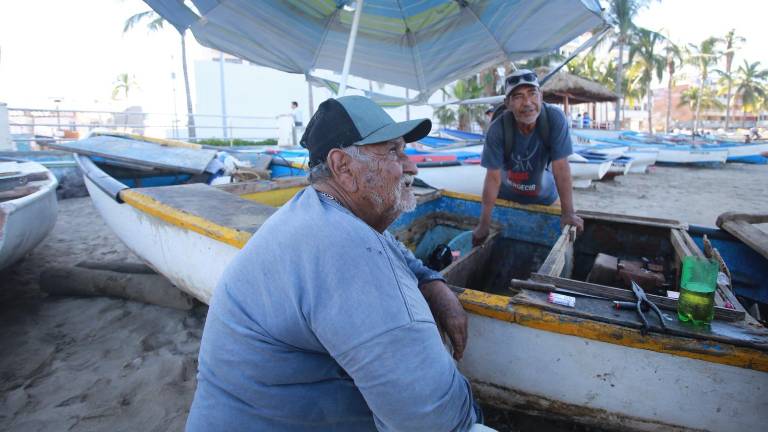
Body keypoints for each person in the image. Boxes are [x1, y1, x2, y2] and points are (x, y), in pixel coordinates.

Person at [186, 95, 482, 431]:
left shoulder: (319, 213)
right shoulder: (345, 250)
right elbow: (430, 418)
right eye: (394, 152)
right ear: (343, 166)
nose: (411, 166)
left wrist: (432, 282)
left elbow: (393, 248)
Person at [473, 69, 583, 246]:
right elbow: (493, 178)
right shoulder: (497, 129)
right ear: (507, 103)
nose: (527, 103)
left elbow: (561, 168)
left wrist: (568, 212)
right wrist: (483, 224)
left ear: (541, 96)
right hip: (506, 199)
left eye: (532, 94)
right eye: (518, 97)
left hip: (547, 199)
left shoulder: (554, 119)